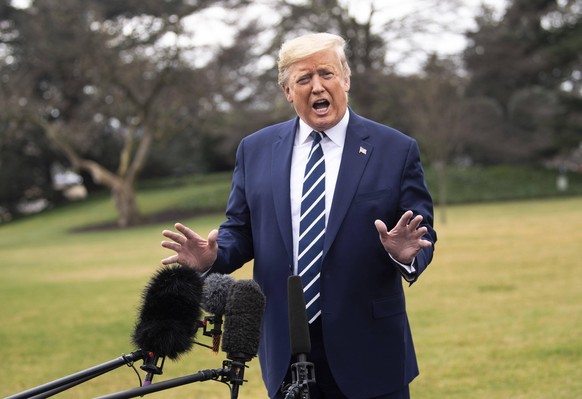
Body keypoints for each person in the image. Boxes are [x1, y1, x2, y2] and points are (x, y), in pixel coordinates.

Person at [161, 32, 437, 399]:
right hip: (285, 348)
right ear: (288, 92)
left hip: (371, 350)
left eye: (327, 73)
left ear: (346, 79)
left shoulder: (395, 149)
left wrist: (406, 254)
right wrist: (213, 256)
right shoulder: (255, 150)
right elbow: (240, 230)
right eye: (304, 79)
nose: (317, 86)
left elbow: (421, 232)